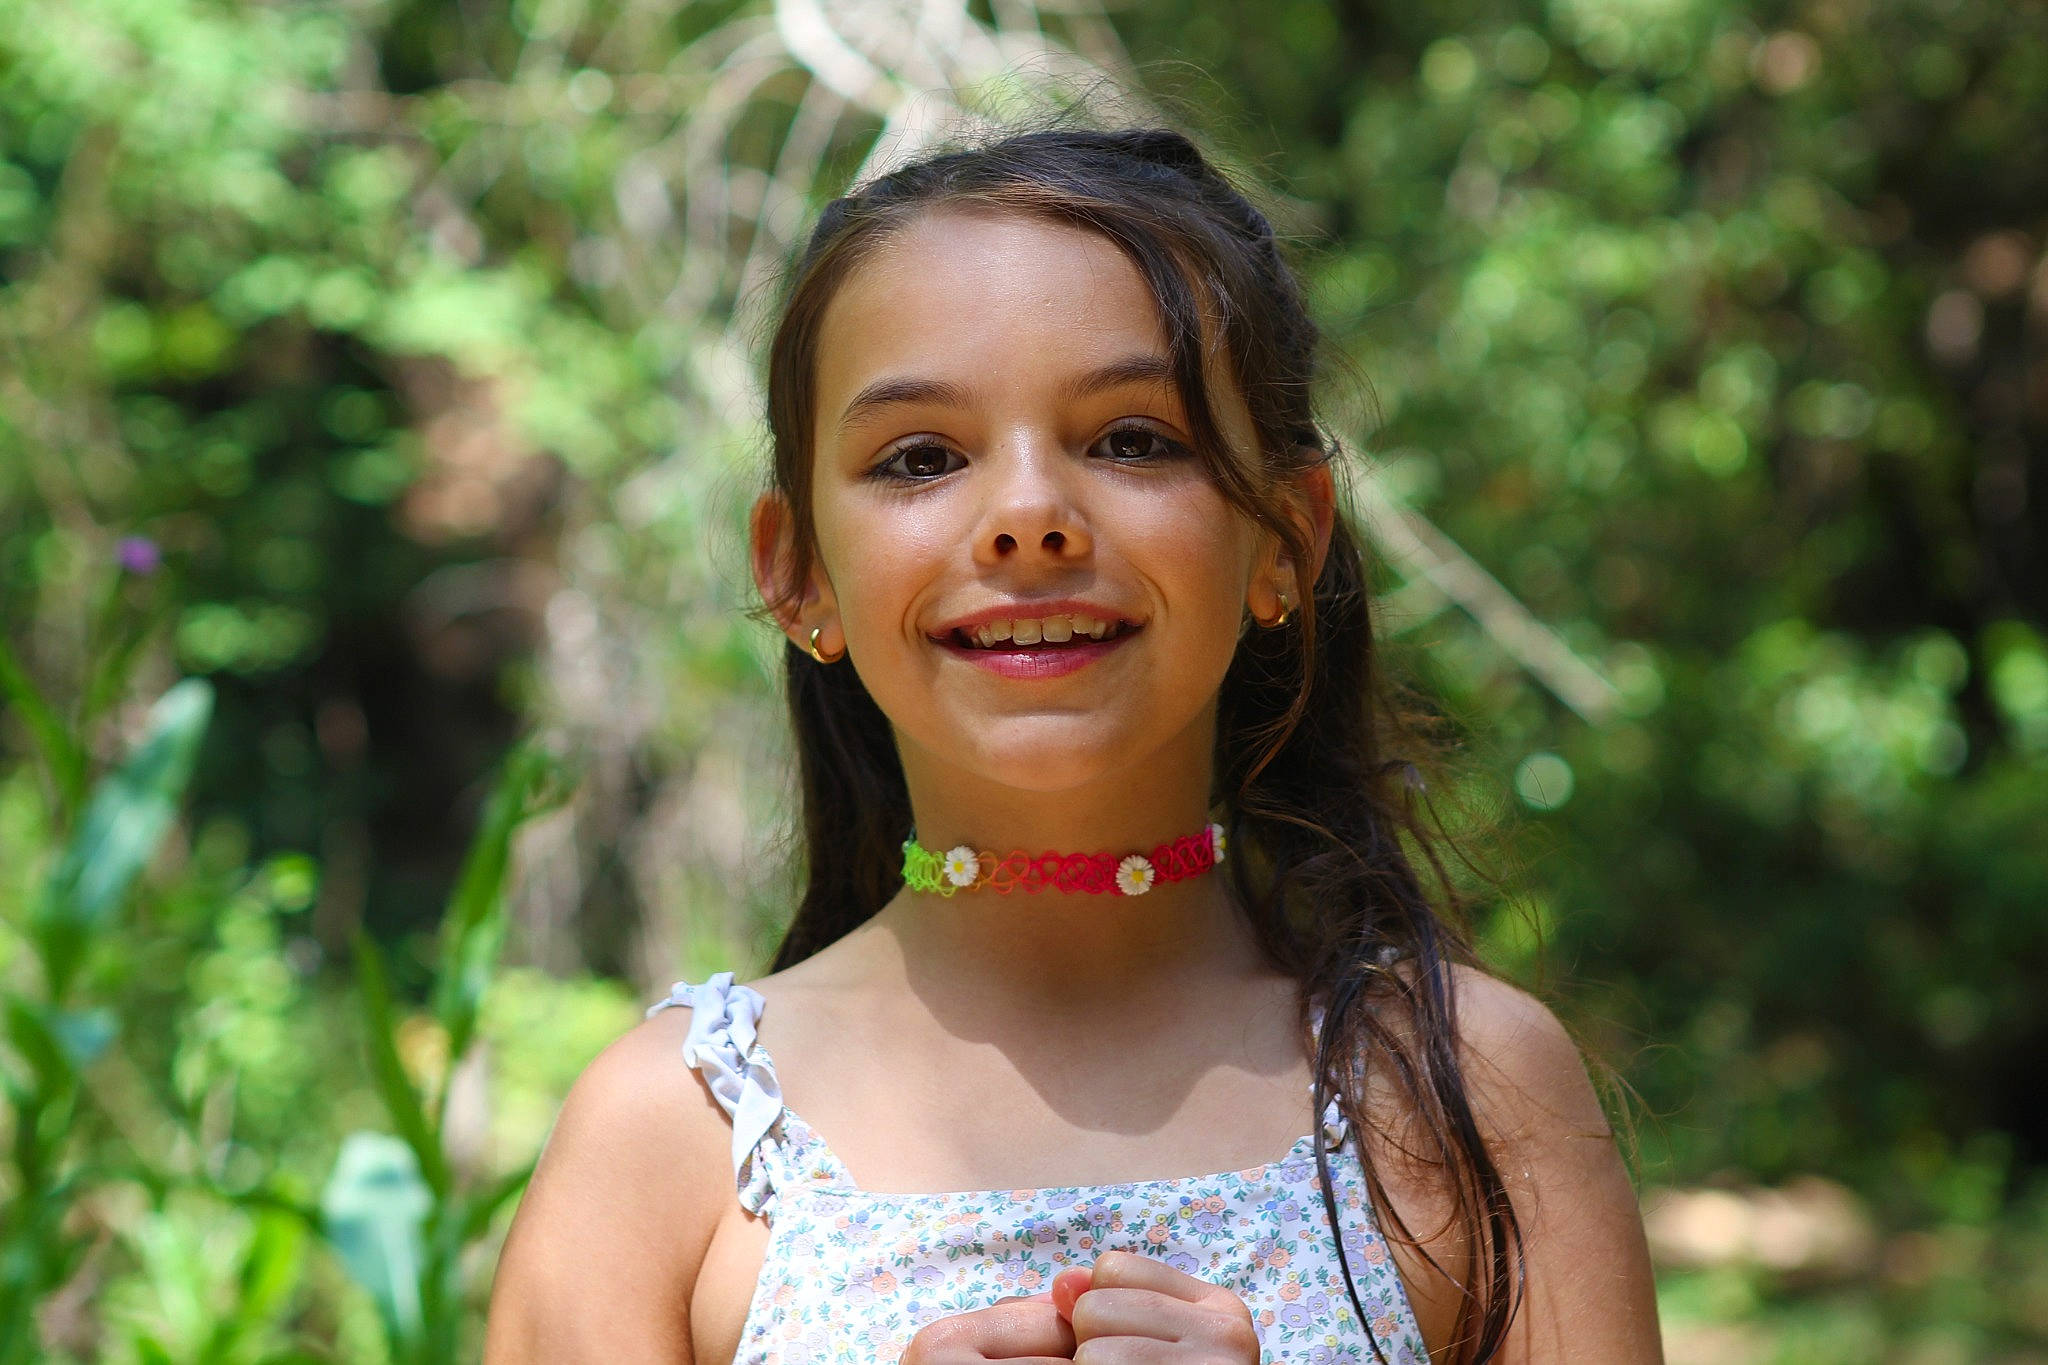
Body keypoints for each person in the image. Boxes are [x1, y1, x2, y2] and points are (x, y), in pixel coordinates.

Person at [483, 126, 1662, 1364]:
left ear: (1286, 541)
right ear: (796, 573)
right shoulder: (665, 1136)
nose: (1029, 518)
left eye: (1133, 441)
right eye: (920, 458)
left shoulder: (1470, 1096)